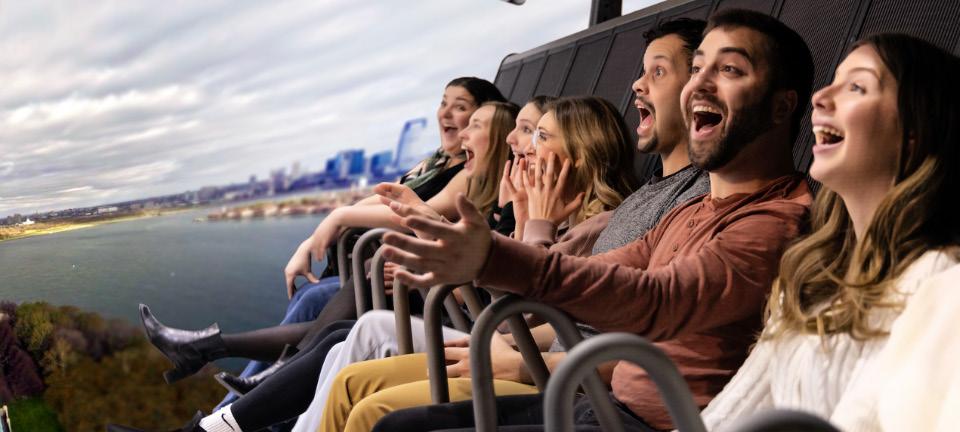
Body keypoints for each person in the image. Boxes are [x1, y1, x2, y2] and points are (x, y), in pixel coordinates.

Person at [374, 9, 815, 431]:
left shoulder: (774, 222)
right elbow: (596, 271)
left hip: (636, 420)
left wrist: (495, 259)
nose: (699, 84)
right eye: (698, 69)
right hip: (604, 405)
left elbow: (656, 301)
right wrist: (492, 250)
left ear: (781, 107)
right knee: (397, 423)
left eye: (730, 70)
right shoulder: (694, 209)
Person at [316, 18, 714, 432]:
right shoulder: (641, 199)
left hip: (572, 384)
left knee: (375, 404)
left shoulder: (672, 206)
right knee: (352, 377)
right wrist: (521, 235)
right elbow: (553, 315)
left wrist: (533, 231)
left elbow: (545, 311)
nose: (637, 84)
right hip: (543, 357)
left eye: (537, 136)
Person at [108, 100, 521, 432]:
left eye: (473, 120)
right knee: (333, 318)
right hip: (460, 308)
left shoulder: (492, 194)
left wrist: (420, 266)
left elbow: (507, 285)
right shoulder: (470, 180)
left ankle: (236, 379)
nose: (461, 131)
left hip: (465, 315)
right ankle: (228, 397)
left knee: (341, 319)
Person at [699, 33, 960, 431]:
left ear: (915, 132)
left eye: (857, 87)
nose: (820, 97)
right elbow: (734, 410)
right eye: (833, 81)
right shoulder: (816, 271)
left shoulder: (942, 285)